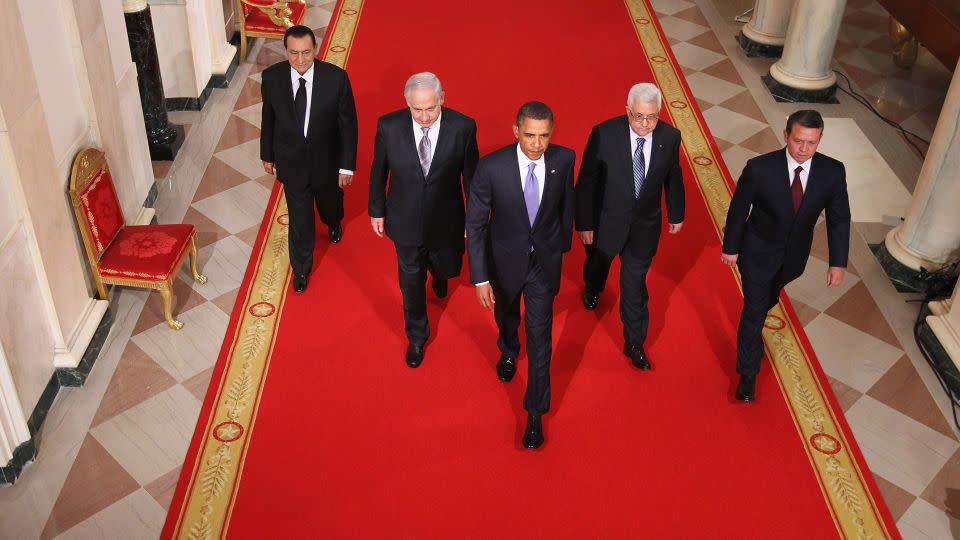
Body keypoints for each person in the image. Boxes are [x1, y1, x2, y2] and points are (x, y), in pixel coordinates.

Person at [466, 101, 575, 449]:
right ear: (516, 131)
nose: (537, 144)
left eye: (544, 136)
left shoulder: (563, 160)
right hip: (504, 262)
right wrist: (480, 277)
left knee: (541, 338)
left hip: (543, 265)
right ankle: (509, 349)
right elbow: (476, 224)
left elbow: (565, 208)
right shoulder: (491, 167)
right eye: (530, 135)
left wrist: (561, 248)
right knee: (508, 316)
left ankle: (534, 414)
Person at [722, 109, 850, 402]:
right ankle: (748, 373)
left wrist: (837, 262)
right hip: (756, 252)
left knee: (768, 298)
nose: (804, 149)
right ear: (786, 136)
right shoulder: (759, 169)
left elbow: (839, 219)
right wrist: (731, 247)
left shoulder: (833, 172)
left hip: (793, 260)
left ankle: (754, 336)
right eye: (798, 141)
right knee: (754, 311)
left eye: (811, 143)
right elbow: (739, 209)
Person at [368, 72, 479, 368]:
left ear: (442, 99)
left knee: (447, 266)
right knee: (411, 279)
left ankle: (440, 274)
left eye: (431, 108)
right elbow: (379, 170)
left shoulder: (463, 128)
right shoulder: (388, 127)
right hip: (404, 219)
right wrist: (376, 209)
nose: (425, 116)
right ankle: (416, 335)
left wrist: (474, 220)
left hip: (447, 219)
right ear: (407, 103)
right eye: (417, 109)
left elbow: (472, 179)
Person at [574, 83, 685, 371]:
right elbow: (586, 182)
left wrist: (676, 212)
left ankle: (634, 343)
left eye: (652, 117)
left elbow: (673, 175)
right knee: (598, 266)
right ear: (627, 112)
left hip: (644, 227)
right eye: (638, 117)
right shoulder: (604, 134)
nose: (645, 124)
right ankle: (593, 287)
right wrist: (585, 223)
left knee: (634, 285)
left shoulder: (670, 137)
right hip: (605, 222)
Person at [260, 25, 358, 293]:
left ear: (315, 49)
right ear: (285, 51)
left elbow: (348, 126)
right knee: (300, 219)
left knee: (329, 204)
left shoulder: (336, 79)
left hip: (327, 162)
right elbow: (268, 119)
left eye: (306, 53)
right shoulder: (271, 78)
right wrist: (267, 155)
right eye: (294, 54)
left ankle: (334, 222)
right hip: (292, 163)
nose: (300, 60)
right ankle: (301, 268)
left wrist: (346, 165)